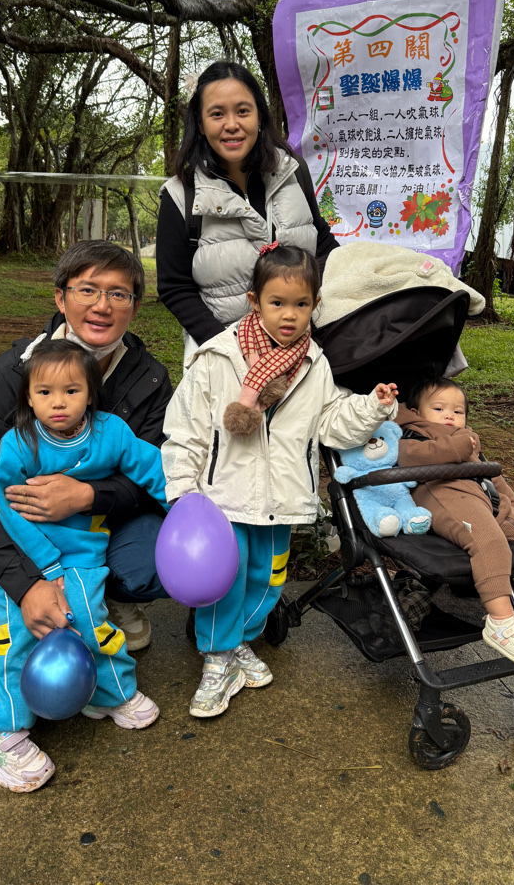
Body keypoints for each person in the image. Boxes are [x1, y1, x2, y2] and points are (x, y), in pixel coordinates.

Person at [161, 243, 398, 718]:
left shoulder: (314, 364)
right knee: (225, 583)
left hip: (282, 500)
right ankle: (217, 658)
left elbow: (331, 423)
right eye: (277, 302)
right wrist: (184, 493)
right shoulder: (218, 358)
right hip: (222, 501)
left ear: (315, 304)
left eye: (301, 304)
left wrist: (372, 407)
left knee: (268, 581)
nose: (289, 315)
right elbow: (185, 430)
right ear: (254, 302)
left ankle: (240, 643)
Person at [0, 240, 172, 654]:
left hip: (105, 524)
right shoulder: (9, 376)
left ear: (135, 307)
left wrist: (89, 495)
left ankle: (110, 597)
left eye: (118, 294)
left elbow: (155, 473)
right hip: (31, 533)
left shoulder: (150, 380)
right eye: (87, 290)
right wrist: (26, 585)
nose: (102, 306)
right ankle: (43, 595)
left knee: (157, 563)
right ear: (60, 297)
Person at [0, 340, 168, 792]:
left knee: (91, 622)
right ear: (28, 397)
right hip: (27, 558)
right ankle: (0, 729)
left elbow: (152, 468)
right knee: (17, 635)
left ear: (91, 394)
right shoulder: (19, 444)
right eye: (45, 392)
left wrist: (181, 507)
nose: (58, 403)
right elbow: (5, 509)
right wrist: (44, 566)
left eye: (71, 391)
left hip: (83, 556)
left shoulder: (111, 433)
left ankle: (108, 693)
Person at [155, 60, 338, 358]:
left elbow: (322, 243)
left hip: (307, 348)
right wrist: (232, 349)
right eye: (217, 114)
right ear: (200, 124)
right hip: (225, 355)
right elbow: (175, 287)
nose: (231, 125)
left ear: (260, 116)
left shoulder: (292, 172)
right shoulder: (180, 195)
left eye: (243, 111)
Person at [396, 377, 514, 667]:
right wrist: (458, 446)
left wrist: (513, 506)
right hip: (444, 496)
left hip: (482, 497)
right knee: (489, 542)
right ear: (416, 412)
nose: (450, 416)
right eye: (439, 409)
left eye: (458, 411)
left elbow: (492, 476)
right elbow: (409, 458)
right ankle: (501, 621)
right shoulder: (410, 435)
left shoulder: (467, 440)